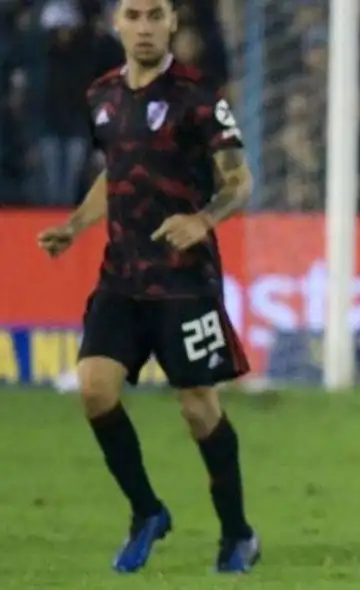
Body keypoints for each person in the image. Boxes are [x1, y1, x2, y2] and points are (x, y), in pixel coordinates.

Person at [36, 0, 260, 574]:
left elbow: (239, 180)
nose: (143, 26)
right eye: (133, 15)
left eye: (154, 15)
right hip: (122, 276)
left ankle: (237, 533)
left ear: (172, 24)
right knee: (94, 389)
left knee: (198, 409)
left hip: (185, 279)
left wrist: (202, 220)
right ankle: (147, 511)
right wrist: (75, 225)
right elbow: (116, 170)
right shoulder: (102, 96)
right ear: (117, 22)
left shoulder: (200, 97)